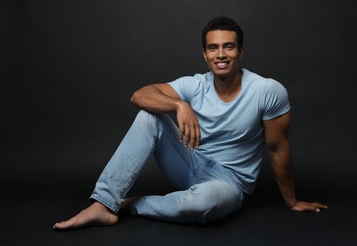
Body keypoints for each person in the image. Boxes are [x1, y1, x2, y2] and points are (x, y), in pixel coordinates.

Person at [53, 16, 327, 230]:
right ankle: (103, 202)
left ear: (241, 51)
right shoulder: (194, 85)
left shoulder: (267, 90)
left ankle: (129, 204)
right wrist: (178, 105)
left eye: (228, 46)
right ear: (205, 55)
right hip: (189, 164)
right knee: (149, 116)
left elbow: (278, 147)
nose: (221, 54)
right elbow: (139, 95)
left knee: (202, 205)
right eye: (213, 48)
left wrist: (291, 201)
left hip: (229, 183)